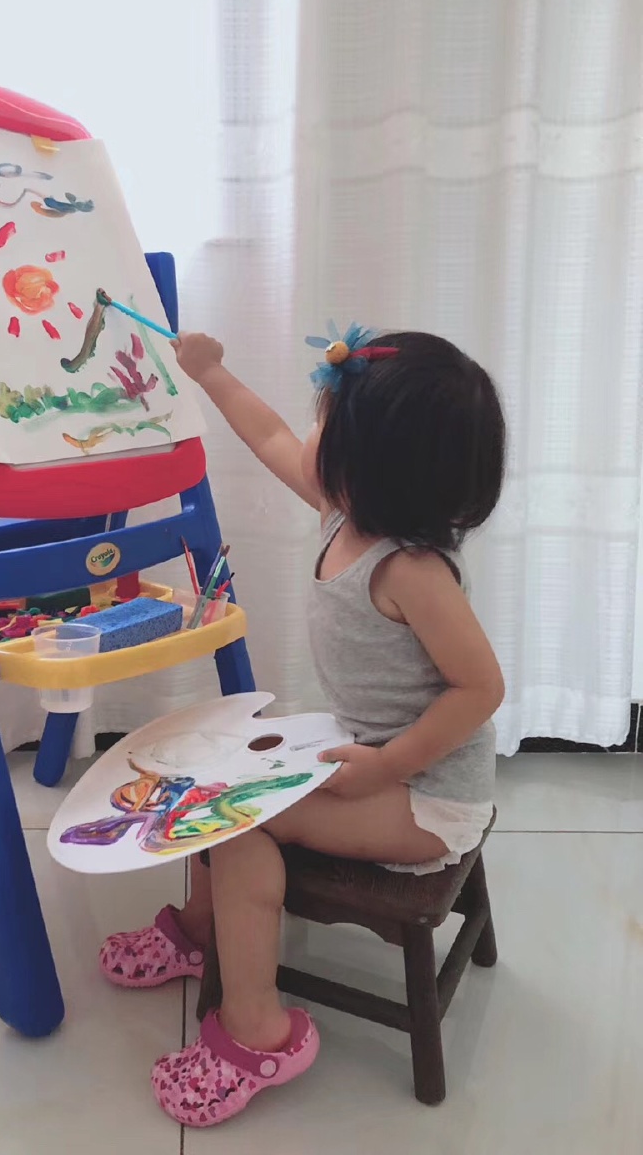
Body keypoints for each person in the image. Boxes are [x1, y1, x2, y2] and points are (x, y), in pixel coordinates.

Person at [101, 326, 507, 1127]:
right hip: (375, 753)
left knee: (236, 823)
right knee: (223, 778)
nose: (307, 434)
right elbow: (268, 436)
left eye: (325, 424)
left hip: (427, 796)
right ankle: (201, 931)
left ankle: (257, 1028)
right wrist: (212, 374)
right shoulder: (340, 511)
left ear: (372, 468)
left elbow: (481, 689)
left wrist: (390, 765)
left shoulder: (410, 569)